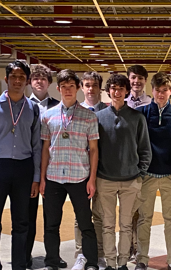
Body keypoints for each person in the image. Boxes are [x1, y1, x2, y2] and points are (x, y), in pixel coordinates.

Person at [0, 60, 42, 270]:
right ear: (6, 79)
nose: (17, 81)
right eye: (13, 77)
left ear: (27, 81)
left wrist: (36, 178)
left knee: (22, 221)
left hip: (24, 168)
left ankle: (19, 264)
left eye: (22, 77)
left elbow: (36, 147)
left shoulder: (34, 108)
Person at [39, 69, 100, 270]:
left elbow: (93, 150)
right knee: (51, 224)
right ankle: (52, 261)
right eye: (63, 87)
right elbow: (45, 149)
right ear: (58, 89)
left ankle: (91, 261)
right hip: (54, 176)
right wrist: (42, 178)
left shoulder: (88, 117)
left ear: (78, 89)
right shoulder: (48, 116)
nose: (67, 90)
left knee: (85, 223)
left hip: (79, 177)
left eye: (71, 86)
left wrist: (92, 179)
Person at [95, 73, 152, 270]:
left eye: (121, 88)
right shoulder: (99, 117)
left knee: (127, 226)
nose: (117, 92)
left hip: (131, 181)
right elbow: (93, 149)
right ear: (108, 91)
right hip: (105, 180)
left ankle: (122, 263)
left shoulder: (137, 118)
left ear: (127, 91)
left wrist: (140, 174)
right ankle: (110, 262)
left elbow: (145, 149)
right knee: (108, 225)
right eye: (113, 88)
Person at [134, 73, 171, 270]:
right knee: (144, 219)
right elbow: (138, 145)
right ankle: (142, 259)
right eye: (157, 90)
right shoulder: (142, 113)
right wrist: (140, 171)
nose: (161, 93)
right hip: (148, 175)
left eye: (165, 90)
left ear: (170, 91)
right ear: (152, 91)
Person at [26, 64, 66, 270]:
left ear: (50, 83)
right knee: (27, 214)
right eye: (35, 78)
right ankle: (25, 255)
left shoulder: (58, 106)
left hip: (53, 165)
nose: (39, 81)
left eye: (43, 78)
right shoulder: (23, 105)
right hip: (28, 163)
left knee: (52, 216)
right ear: (30, 82)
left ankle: (53, 256)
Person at [74, 70, 108, 270]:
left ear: (100, 88)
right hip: (80, 171)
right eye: (87, 85)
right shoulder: (76, 110)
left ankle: (100, 254)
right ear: (82, 87)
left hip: (102, 172)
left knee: (101, 215)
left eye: (94, 85)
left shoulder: (107, 110)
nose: (90, 89)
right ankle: (81, 254)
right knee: (81, 216)